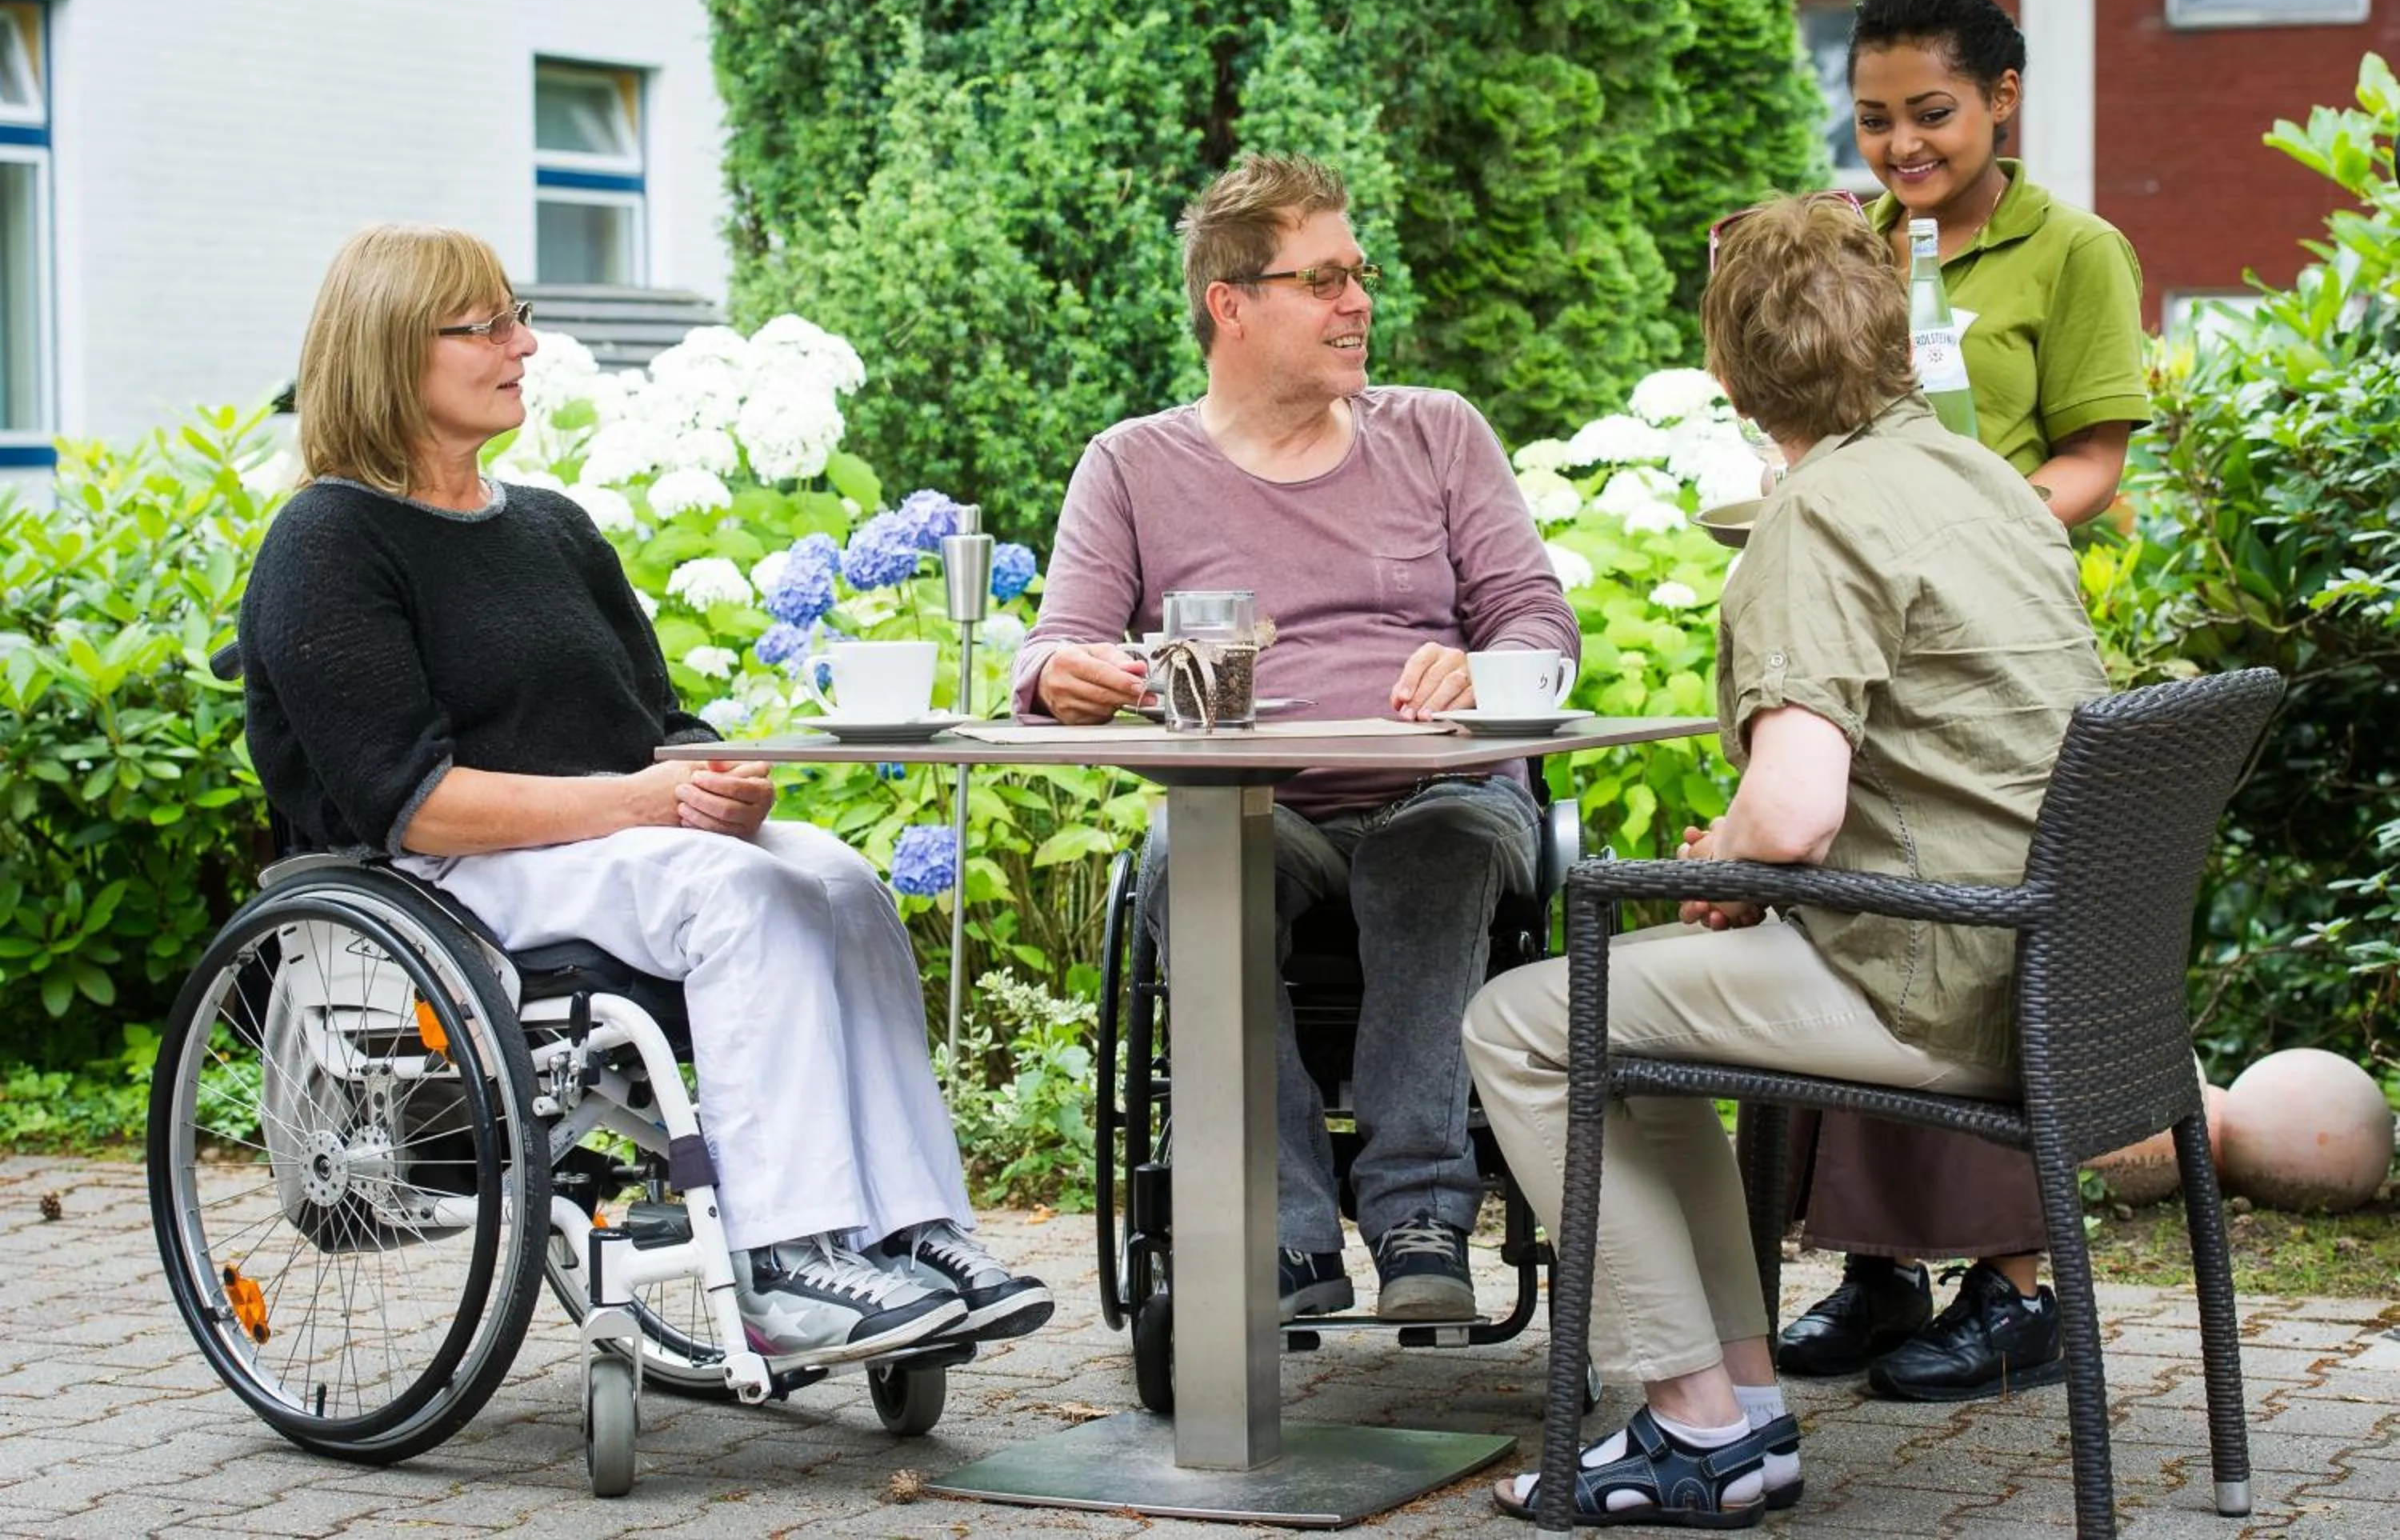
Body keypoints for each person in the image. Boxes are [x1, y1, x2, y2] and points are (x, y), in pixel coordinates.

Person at [241, 223, 1051, 1370]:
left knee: (838, 877)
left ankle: (916, 1230)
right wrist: (639, 805)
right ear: (388, 353)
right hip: (449, 876)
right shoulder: (328, 541)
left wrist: (719, 781)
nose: (523, 343)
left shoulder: (553, 531)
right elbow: (409, 802)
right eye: (487, 326)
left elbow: (653, 726)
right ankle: (785, 1256)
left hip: (612, 852)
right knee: (734, 896)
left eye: (516, 316)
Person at [1462, 194, 2109, 1526]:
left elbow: (1801, 808)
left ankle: (1694, 1424)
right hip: (2052, 971)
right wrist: (1755, 856)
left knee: (1523, 1023)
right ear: (1894, 337)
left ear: (1726, 373)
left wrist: (1745, 855)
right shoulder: (1984, 481)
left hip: (1930, 981)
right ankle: (1741, 1408)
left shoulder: (1811, 521)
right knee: (1635, 1045)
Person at [1012, 154, 1580, 1323]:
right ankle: (1284, 1235)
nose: (1359, 302)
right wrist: (1060, 675)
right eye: (1323, 280)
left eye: (1359, 275)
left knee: (1440, 849)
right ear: (1232, 303)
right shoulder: (1133, 464)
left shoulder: (1436, 434)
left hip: (1445, 794)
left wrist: (1482, 665)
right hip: (1260, 804)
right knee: (1198, 859)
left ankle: (1423, 1210)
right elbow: (1054, 645)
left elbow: (1537, 614)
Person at [1776, 0, 2154, 1402]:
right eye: (1873, 118)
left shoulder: (2077, 254)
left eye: (1929, 113)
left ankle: (2016, 1289)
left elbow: (2094, 464)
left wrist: (1958, 529)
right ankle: (1881, 1275)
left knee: (1967, 927)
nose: (1899, 146)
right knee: (1863, 919)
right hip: (1875, 633)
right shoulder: (1862, 246)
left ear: (2002, 97)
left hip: (1995, 645)